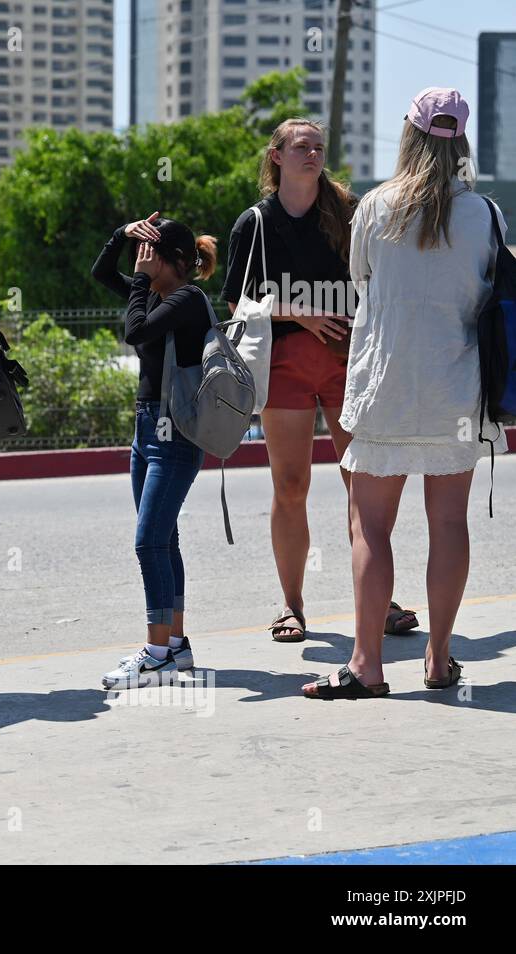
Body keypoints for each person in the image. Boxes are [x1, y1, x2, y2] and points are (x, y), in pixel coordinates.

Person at [303, 88, 507, 699]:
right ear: (463, 143)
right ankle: (440, 661)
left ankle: (367, 668)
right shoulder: (487, 215)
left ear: (409, 136)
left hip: (386, 384)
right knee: (449, 523)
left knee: (371, 525)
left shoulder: (375, 207)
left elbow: (362, 283)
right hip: (456, 387)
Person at [222, 119, 418, 643]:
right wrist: (301, 313)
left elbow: (382, 281)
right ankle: (291, 604)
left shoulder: (350, 214)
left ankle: (380, 601)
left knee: (362, 485)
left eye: (318, 147)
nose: (312, 153)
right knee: (290, 486)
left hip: (348, 363)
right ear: (277, 156)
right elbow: (237, 304)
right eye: (301, 146)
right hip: (282, 366)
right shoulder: (255, 224)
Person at [92, 213, 218, 689]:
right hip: (147, 429)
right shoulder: (157, 294)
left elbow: (136, 332)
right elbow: (102, 275)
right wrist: (120, 233)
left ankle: (157, 654)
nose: (140, 262)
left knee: (148, 542)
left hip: (175, 436)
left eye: (149, 255)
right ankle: (176, 647)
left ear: (176, 262)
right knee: (164, 541)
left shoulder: (186, 298)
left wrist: (141, 283)